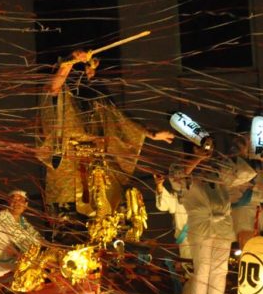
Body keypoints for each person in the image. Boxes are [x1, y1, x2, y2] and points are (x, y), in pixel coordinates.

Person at [38, 49, 174, 217]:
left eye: (93, 70)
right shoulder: (62, 93)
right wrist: (70, 61)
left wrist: (150, 134)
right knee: (73, 222)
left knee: (109, 215)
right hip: (69, 169)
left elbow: (121, 121)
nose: (91, 74)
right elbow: (54, 88)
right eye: (87, 69)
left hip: (99, 169)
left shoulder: (99, 100)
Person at [177, 142, 256, 294]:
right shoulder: (180, 167)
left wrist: (244, 155)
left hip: (223, 225)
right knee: (203, 268)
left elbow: (245, 175)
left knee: (220, 270)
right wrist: (198, 158)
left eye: (208, 149)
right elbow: (180, 178)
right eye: (200, 148)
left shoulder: (218, 170)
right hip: (202, 225)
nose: (206, 152)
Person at [0, 190, 43, 280]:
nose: (16, 203)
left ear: (26, 204)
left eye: (20, 200)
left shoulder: (22, 221)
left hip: (10, 262)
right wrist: (41, 255)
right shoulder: (2, 216)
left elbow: (37, 237)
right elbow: (22, 241)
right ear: (8, 203)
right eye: (13, 200)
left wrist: (50, 247)